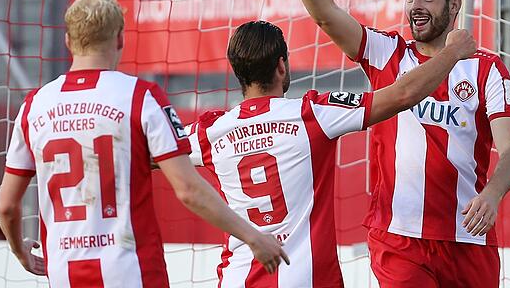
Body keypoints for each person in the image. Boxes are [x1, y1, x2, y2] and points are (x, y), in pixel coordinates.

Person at [273, 0, 510, 287]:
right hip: (399, 238)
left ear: (453, 5)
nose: (415, 8)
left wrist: (492, 195)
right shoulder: (386, 52)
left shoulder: (486, 68)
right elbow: (326, 15)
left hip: (468, 238)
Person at [0, 0, 289, 287]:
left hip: (63, 272)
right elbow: (188, 189)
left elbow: (7, 206)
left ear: (68, 41)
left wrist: (19, 251)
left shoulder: (34, 106)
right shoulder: (140, 97)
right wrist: (252, 237)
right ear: (121, 38)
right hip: (130, 270)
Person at [186, 20, 477, 287]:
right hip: (309, 279)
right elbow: (402, 95)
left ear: (237, 72)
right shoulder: (311, 113)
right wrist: (452, 53)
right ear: (282, 66)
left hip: (239, 278)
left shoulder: (209, 131)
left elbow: (153, 154)